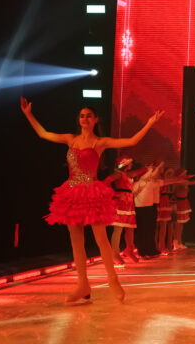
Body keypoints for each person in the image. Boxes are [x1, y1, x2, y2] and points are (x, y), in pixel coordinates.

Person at [20, 98, 162, 303]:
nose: (84, 118)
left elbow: (131, 141)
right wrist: (28, 114)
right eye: (81, 116)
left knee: (101, 239)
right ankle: (82, 285)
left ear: (95, 120)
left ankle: (113, 280)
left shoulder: (99, 142)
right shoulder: (71, 139)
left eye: (88, 116)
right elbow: (43, 134)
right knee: (76, 240)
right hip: (71, 192)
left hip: (92, 192)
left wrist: (149, 123)